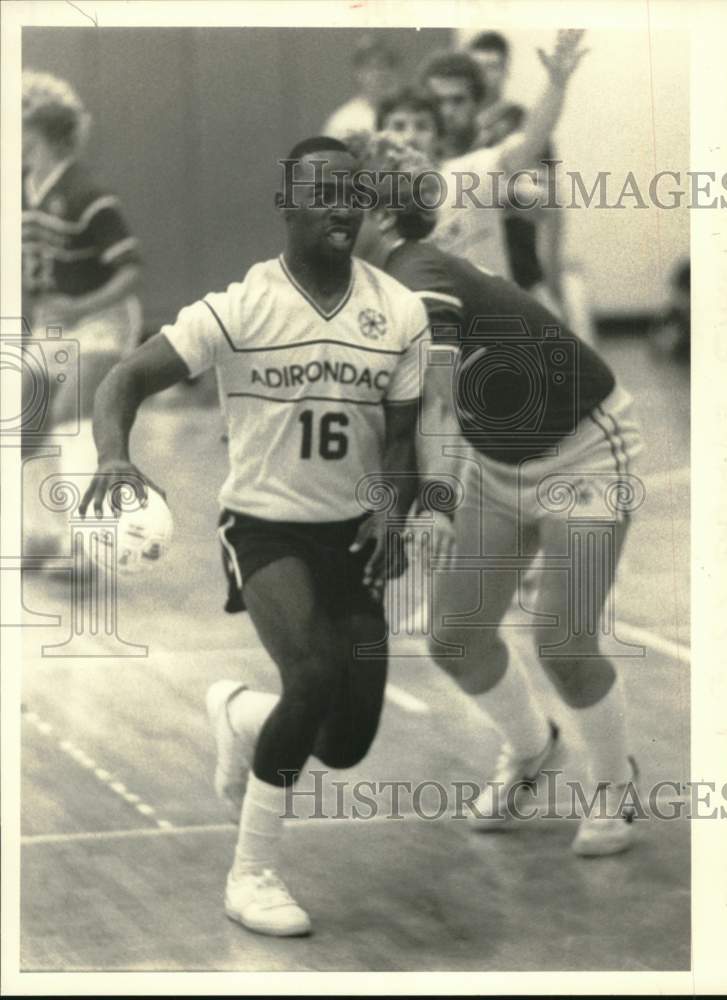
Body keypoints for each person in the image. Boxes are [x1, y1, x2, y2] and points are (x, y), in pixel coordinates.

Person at [79, 137, 429, 936]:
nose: (343, 206)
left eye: (354, 192)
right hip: (265, 529)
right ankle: (252, 874)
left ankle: (239, 715)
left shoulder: (398, 312)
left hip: (351, 535)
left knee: (345, 742)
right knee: (312, 672)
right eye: (324, 192)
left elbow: (402, 439)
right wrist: (112, 455)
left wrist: (391, 508)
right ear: (287, 205)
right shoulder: (237, 309)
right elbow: (123, 379)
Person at [346, 131, 643, 856]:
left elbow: (439, 405)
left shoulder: (416, 274)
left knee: (562, 641)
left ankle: (614, 785)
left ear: (380, 215)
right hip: (497, 458)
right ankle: (533, 748)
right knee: (454, 637)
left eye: (340, 199)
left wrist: (433, 506)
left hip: (582, 451)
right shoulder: (369, 285)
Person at [22, 70, 142, 550]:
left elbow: (131, 271)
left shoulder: (88, 195)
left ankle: (88, 540)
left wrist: (79, 306)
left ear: (42, 138)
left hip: (100, 318)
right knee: (25, 414)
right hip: (55, 322)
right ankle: (42, 533)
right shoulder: (20, 191)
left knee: (71, 414)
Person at [413, 30, 587, 288]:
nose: (447, 111)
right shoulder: (414, 159)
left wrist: (556, 85)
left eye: (457, 101)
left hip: (510, 286)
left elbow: (531, 149)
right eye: (438, 102)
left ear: (476, 102)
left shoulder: (490, 154)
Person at [322, 34, 401, 139]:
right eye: (374, 67)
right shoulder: (342, 122)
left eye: (388, 65)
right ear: (358, 73)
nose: (382, 73)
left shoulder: (408, 118)